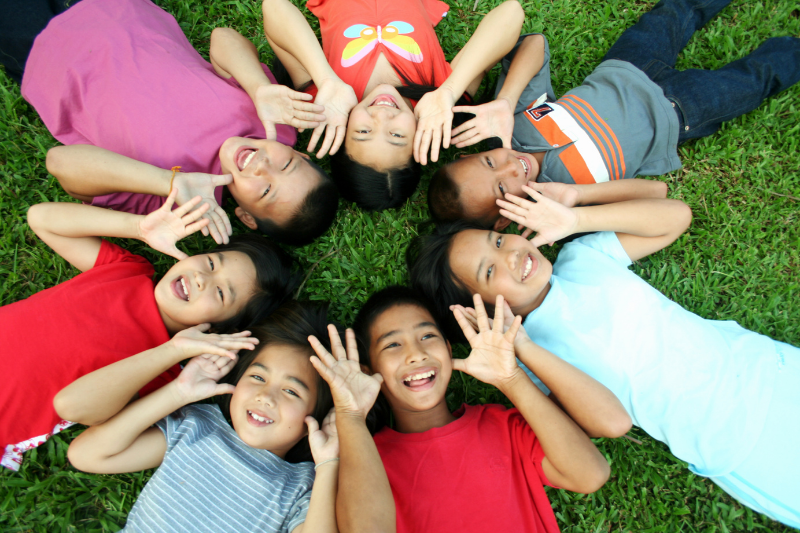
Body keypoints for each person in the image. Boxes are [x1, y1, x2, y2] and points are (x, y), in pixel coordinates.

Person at [408, 179, 800, 528]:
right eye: (489, 272)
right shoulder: (532, 365)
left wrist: (576, 217)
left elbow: (674, 216)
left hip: (769, 366)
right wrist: (521, 346)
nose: (509, 255)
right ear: (480, 311)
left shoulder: (583, 259)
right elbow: (612, 422)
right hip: (737, 440)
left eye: (496, 242)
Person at [426, 0, 800, 228]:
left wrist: (506, 102)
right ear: (506, 217)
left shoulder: (513, 122)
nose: (511, 166)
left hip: (627, 64)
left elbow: (534, 45)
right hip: (679, 111)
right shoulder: (565, 204)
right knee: (756, 79)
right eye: (503, 188)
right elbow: (657, 192)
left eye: (490, 162)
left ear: (473, 151)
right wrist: (576, 197)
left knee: (679, 9)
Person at [0, 190, 299, 470]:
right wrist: (140, 227)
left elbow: (71, 405)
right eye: (210, 263)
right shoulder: (128, 270)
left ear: (224, 327)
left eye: (221, 293)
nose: (201, 279)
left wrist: (173, 351)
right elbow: (43, 218)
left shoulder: (161, 374)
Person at [2, 0, 338, 246]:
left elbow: (60, 163)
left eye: (265, 191)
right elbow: (223, 39)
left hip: (43, 50)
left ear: (246, 216)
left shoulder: (177, 201)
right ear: (302, 155)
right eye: (288, 165)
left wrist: (168, 182)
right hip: (120, 9)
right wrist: (259, 87)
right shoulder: (275, 125)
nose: (264, 166)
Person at [306, 286, 630, 532]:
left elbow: (591, 474)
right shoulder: (368, 460)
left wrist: (511, 378)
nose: (416, 354)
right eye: (392, 344)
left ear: (448, 350)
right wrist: (350, 415)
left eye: (427, 336)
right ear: (368, 369)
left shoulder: (501, 426)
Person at [61, 301, 339, 532]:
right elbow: (87, 455)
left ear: (313, 419)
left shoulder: (303, 484)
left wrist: (328, 463)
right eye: (257, 376)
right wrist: (178, 392)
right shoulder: (198, 427)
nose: (265, 396)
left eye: (291, 391)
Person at [259, 0, 525, 210]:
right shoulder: (438, 93)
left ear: (342, 132)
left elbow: (274, 7)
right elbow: (511, 13)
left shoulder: (324, 97)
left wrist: (326, 79)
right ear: (420, 136)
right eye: (396, 135)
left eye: (363, 132)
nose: (382, 117)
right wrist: (449, 92)